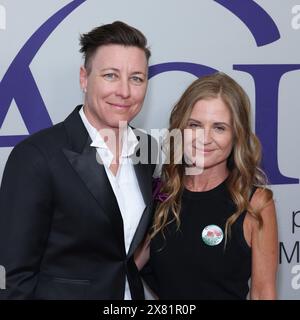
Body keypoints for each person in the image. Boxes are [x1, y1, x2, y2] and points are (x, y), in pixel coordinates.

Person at [0, 21, 157, 300]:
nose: (124, 91)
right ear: (84, 78)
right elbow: (16, 276)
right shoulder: (36, 156)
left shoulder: (147, 148)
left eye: (136, 78)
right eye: (110, 75)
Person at [136, 72, 278, 300]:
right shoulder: (161, 195)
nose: (204, 138)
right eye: (195, 125)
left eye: (219, 128)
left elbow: (263, 293)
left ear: (236, 135)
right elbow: (127, 270)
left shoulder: (256, 203)